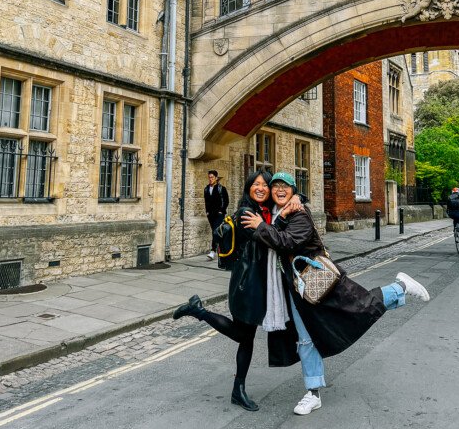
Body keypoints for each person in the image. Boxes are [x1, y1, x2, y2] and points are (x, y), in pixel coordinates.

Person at [241, 172, 431, 416]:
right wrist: (273, 219)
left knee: (358, 309)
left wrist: (261, 227)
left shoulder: (299, 214)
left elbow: (286, 242)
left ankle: (400, 287)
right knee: (306, 338)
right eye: (275, 186)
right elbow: (274, 227)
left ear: (292, 190)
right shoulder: (283, 211)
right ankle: (313, 393)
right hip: (300, 288)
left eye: (285, 187)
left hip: (319, 281)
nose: (278, 190)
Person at [174, 170, 274, 411]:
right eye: (255, 184)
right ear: (248, 188)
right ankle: (199, 311)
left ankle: (237, 389)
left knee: (245, 337)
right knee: (244, 336)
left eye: (265, 185)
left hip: (258, 282)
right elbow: (271, 238)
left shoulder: (264, 212)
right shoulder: (246, 213)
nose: (260, 188)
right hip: (246, 283)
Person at [204, 169, 229, 260]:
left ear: (216, 178)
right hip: (210, 214)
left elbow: (225, 201)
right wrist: (207, 212)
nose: (210, 179)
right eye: (209, 177)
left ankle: (212, 251)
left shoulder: (221, 188)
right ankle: (222, 248)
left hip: (219, 214)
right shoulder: (206, 189)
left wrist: (221, 210)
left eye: (212, 177)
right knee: (216, 232)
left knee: (215, 231)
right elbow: (206, 202)